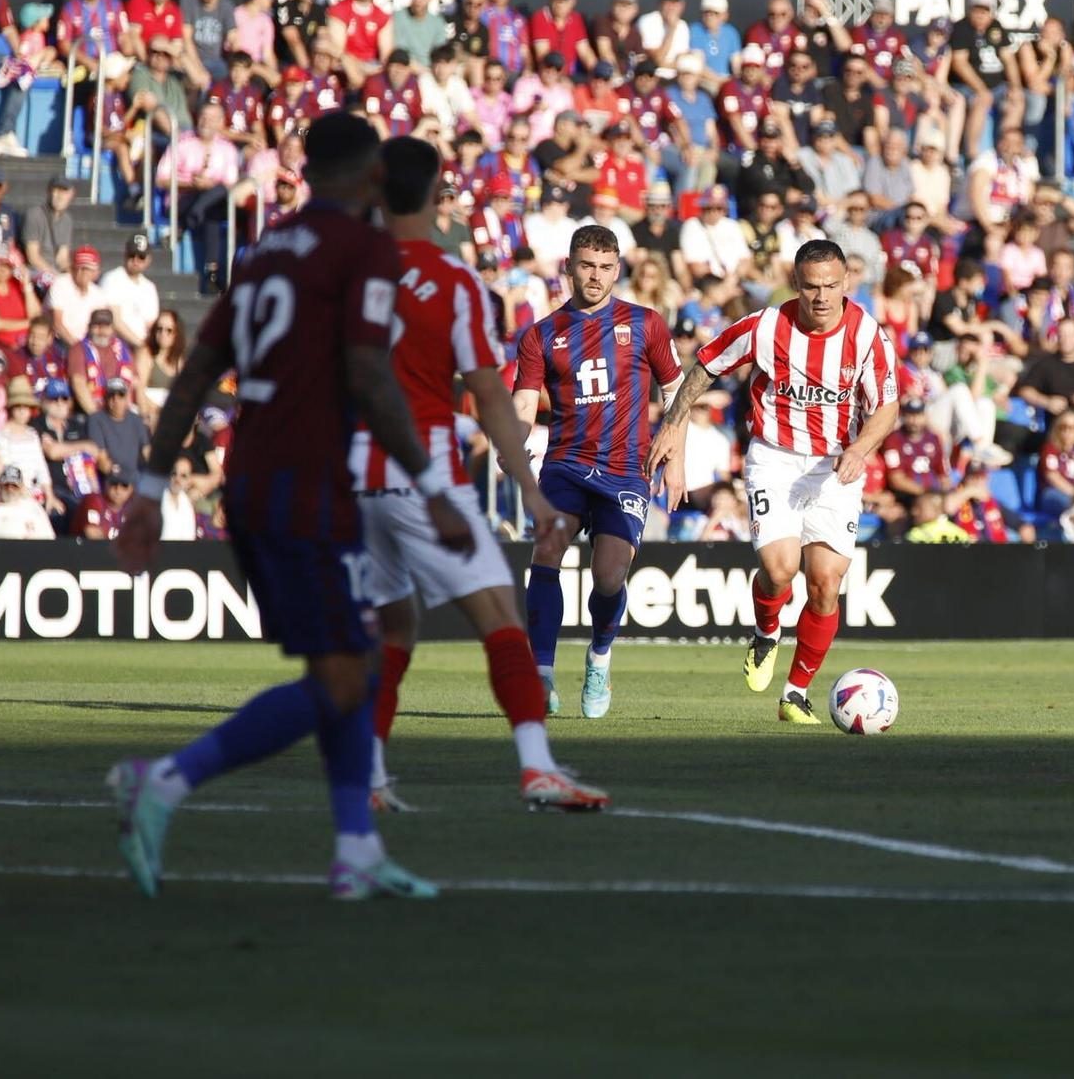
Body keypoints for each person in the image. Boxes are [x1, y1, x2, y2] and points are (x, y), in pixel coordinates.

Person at [108, 112, 474, 903]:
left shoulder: (267, 248)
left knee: (352, 658)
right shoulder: (365, 247)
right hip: (303, 484)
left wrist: (146, 490)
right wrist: (437, 486)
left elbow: (201, 367)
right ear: (372, 173)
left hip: (260, 479)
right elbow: (371, 375)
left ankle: (356, 848)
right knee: (347, 677)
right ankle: (165, 780)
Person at [351, 137, 601, 813]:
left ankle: (369, 777)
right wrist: (528, 487)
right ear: (438, 198)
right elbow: (490, 395)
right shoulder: (456, 282)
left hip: (348, 474)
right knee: (500, 615)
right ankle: (538, 766)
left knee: (394, 626)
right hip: (421, 475)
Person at [648, 240, 901, 725]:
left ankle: (796, 693)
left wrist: (859, 449)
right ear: (796, 284)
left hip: (836, 465)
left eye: (831, 285)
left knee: (826, 583)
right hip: (775, 458)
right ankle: (767, 632)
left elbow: (886, 405)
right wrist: (674, 427)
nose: (821, 297)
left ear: (846, 282)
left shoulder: (868, 336)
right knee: (781, 570)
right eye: (811, 287)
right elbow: (706, 365)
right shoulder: (767, 326)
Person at [513, 225, 686, 719]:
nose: (596, 276)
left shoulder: (646, 323)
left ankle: (600, 657)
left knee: (609, 575)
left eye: (606, 267)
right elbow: (524, 404)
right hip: (565, 465)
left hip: (627, 471)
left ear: (618, 269)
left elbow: (676, 392)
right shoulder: (541, 334)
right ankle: (541, 675)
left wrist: (676, 459)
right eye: (587, 265)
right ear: (568, 267)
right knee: (547, 549)